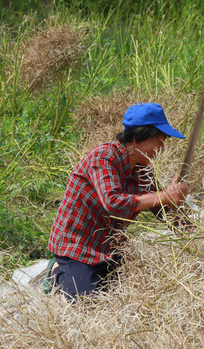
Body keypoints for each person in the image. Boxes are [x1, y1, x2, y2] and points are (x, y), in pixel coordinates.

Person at [45, 102, 190, 300]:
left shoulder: (143, 169)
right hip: (76, 247)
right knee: (87, 304)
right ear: (137, 138)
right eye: (159, 140)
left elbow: (161, 208)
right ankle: (57, 271)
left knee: (135, 292)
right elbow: (113, 203)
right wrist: (166, 195)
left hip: (108, 249)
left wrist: (190, 229)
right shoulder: (103, 157)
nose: (162, 149)